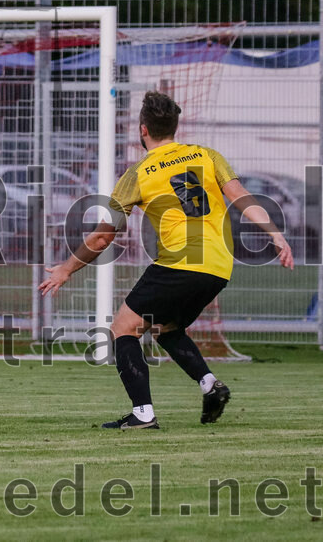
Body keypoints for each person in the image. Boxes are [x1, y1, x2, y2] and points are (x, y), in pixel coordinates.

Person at [39, 91, 294, 429]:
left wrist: (66, 269)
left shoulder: (139, 173)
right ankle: (209, 384)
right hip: (218, 267)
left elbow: (103, 236)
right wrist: (275, 233)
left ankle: (143, 414)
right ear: (176, 125)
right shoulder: (206, 155)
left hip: (179, 262)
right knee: (165, 326)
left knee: (123, 328)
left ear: (142, 129)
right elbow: (241, 197)